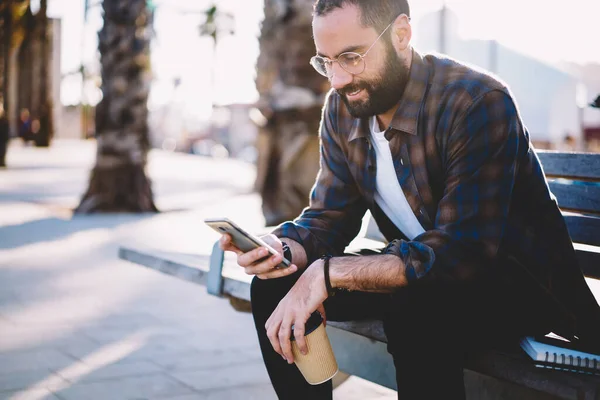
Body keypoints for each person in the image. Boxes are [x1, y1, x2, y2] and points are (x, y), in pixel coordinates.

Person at [220, 1, 600, 398]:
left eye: (351, 57)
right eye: (325, 62)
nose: (337, 79)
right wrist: (284, 249)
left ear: (401, 35)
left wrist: (329, 273)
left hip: (516, 287)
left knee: (417, 308)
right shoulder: (342, 108)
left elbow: (461, 254)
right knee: (274, 285)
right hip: (425, 276)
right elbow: (330, 216)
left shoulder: (475, 101)